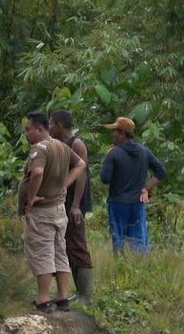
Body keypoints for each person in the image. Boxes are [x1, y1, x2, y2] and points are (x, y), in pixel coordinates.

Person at [18, 111, 86, 313]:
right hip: (58, 209)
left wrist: (31, 198)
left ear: (40, 129)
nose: (27, 134)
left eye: (29, 130)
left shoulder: (40, 149)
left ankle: (43, 299)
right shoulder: (62, 147)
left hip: (42, 211)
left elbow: (37, 172)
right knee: (60, 252)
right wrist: (65, 183)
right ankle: (63, 297)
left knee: (43, 252)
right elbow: (81, 164)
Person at [100, 117, 166, 254]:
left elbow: (105, 179)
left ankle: (120, 265)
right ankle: (138, 265)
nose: (113, 134)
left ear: (123, 133)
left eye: (116, 131)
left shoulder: (114, 154)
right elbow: (161, 172)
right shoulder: (144, 152)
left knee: (119, 238)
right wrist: (147, 189)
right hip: (138, 202)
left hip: (118, 202)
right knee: (138, 238)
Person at [49, 110, 94, 304]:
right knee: (66, 245)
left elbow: (82, 175)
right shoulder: (58, 144)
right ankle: (78, 291)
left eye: (51, 124)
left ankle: (86, 295)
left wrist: (76, 205)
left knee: (77, 244)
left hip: (76, 201)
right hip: (63, 201)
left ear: (59, 125)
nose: (49, 128)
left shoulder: (76, 144)